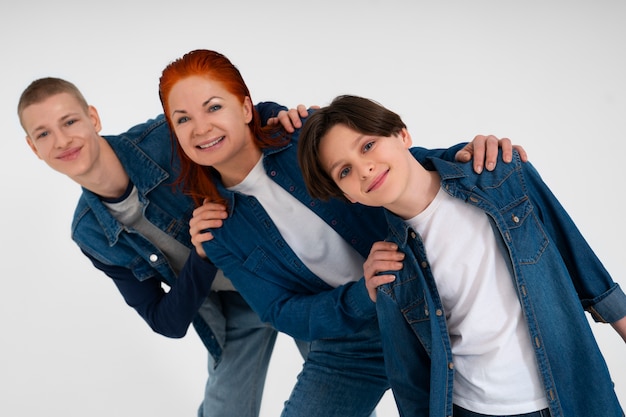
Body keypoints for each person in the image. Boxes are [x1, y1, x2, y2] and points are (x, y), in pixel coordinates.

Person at [158, 49, 525, 417]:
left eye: (213, 107)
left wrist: (467, 155)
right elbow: (280, 311)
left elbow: (391, 164)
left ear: (244, 107)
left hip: (425, 306)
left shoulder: (302, 132)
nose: (201, 128)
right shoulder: (217, 230)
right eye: (183, 119)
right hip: (350, 346)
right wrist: (362, 295)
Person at [297, 94, 626, 417]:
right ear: (347, 196)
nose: (364, 170)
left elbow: (583, 265)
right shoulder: (390, 269)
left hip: (576, 395)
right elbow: (410, 382)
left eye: (367, 145)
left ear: (401, 134)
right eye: (344, 172)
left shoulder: (503, 178)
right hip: (475, 409)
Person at [17, 77, 313, 417]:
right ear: (33, 148)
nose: (62, 140)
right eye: (44, 134)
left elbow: (246, 116)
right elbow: (166, 322)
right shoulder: (90, 233)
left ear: (93, 118)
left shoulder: (162, 140)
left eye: (69, 121)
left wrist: (286, 119)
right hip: (234, 310)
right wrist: (202, 256)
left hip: (288, 280)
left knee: (339, 396)